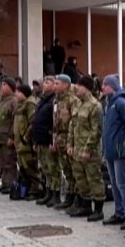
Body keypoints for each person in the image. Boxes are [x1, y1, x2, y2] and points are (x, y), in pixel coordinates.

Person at [67, 79, 105, 220]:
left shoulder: (95, 106)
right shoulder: (77, 103)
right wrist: (70, 144)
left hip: (90, 152)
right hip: (77, 149)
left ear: (87, 88)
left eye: (80, 86)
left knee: (94, 179)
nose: (76, 88)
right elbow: (72, 125)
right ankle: (85, 206)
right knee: (80, 179)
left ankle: (98, 209)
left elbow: (96, 131)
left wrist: (87, 149)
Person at [100, 75, 125, 225]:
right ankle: (119, 212)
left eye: (105, 84)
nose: (102, 87)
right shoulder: (108, 103)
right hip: (110, 150)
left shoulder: (121, 103)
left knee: (122, 184)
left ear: (112, 86)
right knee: (114, 183)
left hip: (119, 150)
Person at [52, 74, 80, 210]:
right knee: (66, 169)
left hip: (69, 139)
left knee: (74, 169)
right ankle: (70, 195)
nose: (54, 86)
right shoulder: (57, 100)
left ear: (66, 85)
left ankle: (76, 198)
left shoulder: (72, 100)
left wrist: (71, 142)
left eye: (57, 84)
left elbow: (74, 123)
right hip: (60, 139)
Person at [33, 76, 60, 206]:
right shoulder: (42, 100)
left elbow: (54, 122)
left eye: (48, 82)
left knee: (53, 168)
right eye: (44, 82)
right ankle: (48, 192)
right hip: (40, 138)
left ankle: (56, 194)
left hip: (48, 138)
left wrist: (52, 140)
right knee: (45, 168)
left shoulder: (54, 101)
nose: (45, 84)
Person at [0, 79, 18, 194]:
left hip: (7, 137)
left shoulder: (13, 101)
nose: (2, 87)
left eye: (5, 85)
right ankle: (4, 183)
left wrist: (12, 136)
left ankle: (10, 184)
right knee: (1, 161)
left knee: (9, 162)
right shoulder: (2, 101)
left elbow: (14, 121)